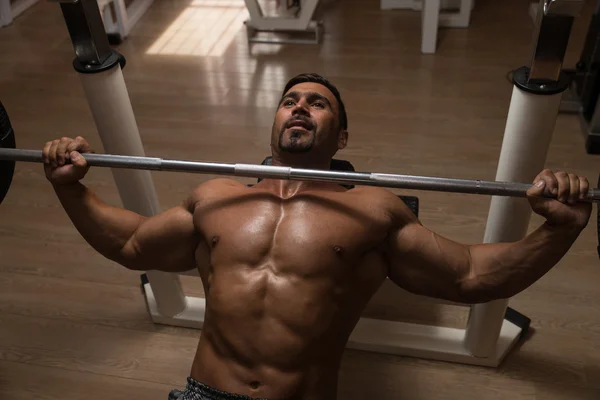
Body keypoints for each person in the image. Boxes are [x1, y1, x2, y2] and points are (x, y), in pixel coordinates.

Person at [42, 73, 592, 400]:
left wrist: (557, 231)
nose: (300, 106)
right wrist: (71, 190)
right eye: (290, 100)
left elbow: (469, 274)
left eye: (317, 102)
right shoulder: (217, 197)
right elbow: (133, 244)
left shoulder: (374, 209)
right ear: (276, 123)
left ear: (341, 134)